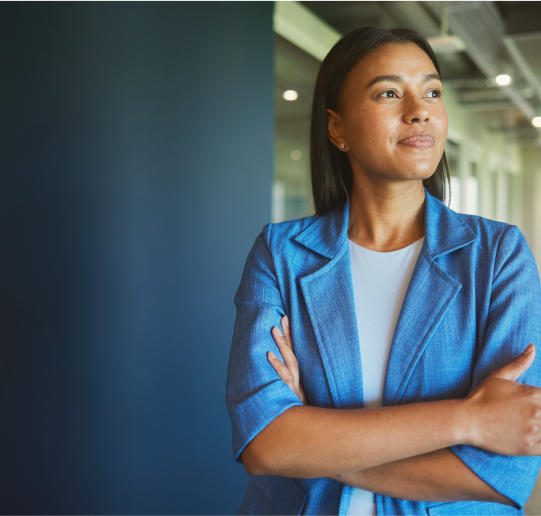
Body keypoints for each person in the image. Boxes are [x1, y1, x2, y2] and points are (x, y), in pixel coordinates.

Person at [226, 26, 541, 516]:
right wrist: (467, 420)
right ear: (337, 129)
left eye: (432, 92)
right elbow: (266, 444)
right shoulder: (281, 253)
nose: (419, 109)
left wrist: (312, 438)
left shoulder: (499, 254)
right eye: (390, 92)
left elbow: (503, 473)